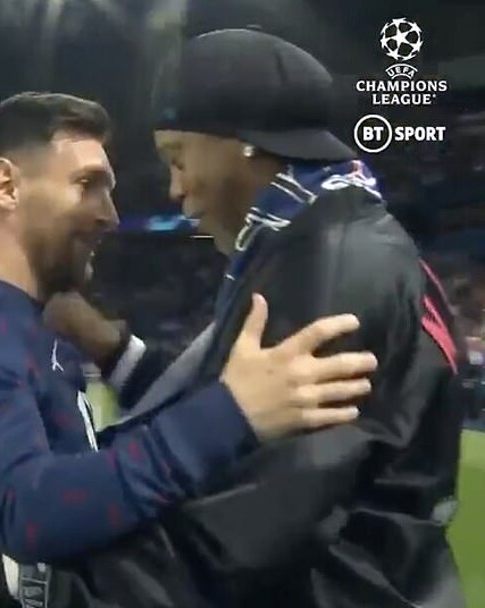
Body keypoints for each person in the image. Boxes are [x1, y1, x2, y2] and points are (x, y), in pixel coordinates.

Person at [0, 92, 377, 608]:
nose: (110, 215)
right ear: (7, 186)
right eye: (87, 185)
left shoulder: (36, 319)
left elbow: (86, 472)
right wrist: (229, 413)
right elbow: (27, 512)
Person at [33, 29, 465, 608]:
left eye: (178, 158)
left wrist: (57, 586)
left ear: (242, 143)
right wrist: (103, 342)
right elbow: (224, 409)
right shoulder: (329, 235)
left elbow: (256, 517)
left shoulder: (326, 265)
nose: (174, 188)